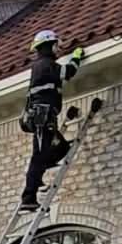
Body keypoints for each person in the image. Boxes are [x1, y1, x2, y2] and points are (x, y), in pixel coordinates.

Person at [20, 29, 87, 209]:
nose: (58, 49)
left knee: (62, 147)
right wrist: (76, 56)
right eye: (56, 45)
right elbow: (68, 72)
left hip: (44, 117)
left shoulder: (41, 65)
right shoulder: (46, 64)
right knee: (38, 156)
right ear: (49, 46)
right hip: (43, 117)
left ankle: (40, 174)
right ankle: (28, 198)